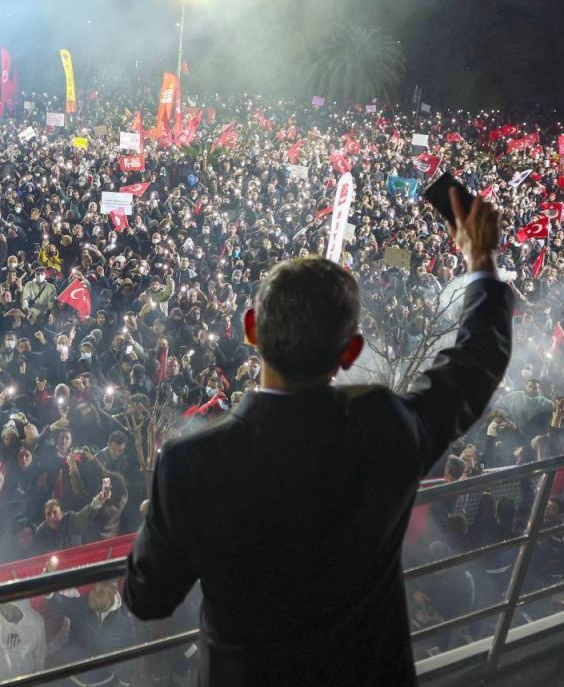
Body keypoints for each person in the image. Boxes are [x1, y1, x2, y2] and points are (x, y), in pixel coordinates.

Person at [123, 190, 512, 686]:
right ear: (350, 351)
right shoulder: (386, 427)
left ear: (250, 329)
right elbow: (476, 363)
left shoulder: (192, 462)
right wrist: (482, 260)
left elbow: (148, 597)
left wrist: (159, 519)